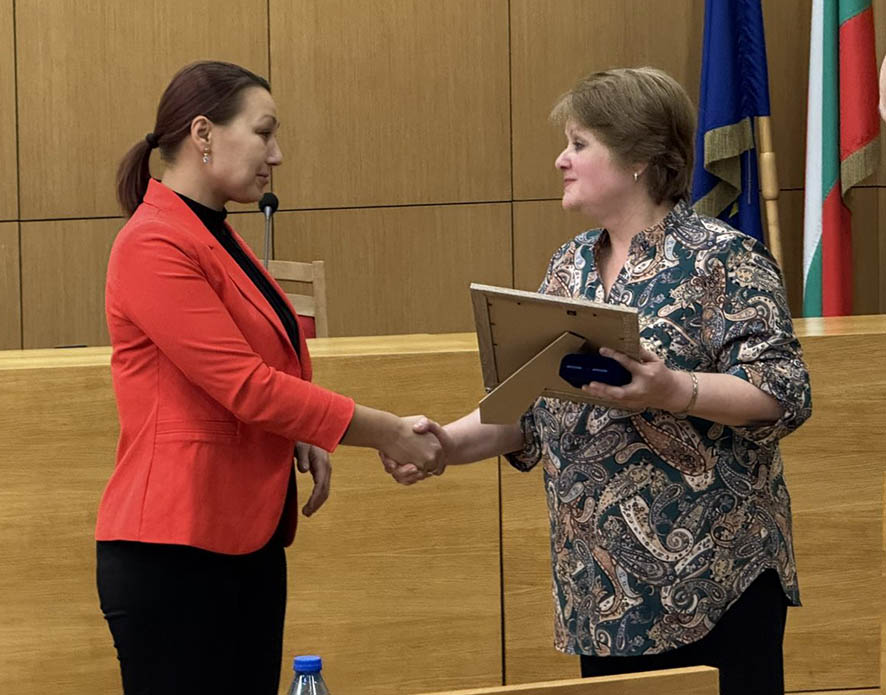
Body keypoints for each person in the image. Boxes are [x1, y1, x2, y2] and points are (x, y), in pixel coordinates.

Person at [384, 67, 811, 695]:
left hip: (716, 584)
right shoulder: (570, 266)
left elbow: (784, 393)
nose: (561, 160)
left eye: (579, 144)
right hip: (603, 597)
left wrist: (674, 391)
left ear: (639, 157)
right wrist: (443, 445)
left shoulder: (723, 257)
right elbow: (528, 411)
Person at [96, 60, 443, 695]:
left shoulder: (213, 233)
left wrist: (297, 431)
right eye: (263, 133)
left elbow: (260, 371)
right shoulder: (154, 242)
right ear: (203, 133)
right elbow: (247, 386)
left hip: (241, 543)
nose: (276, 155)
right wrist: (388, 431)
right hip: (175, 549)